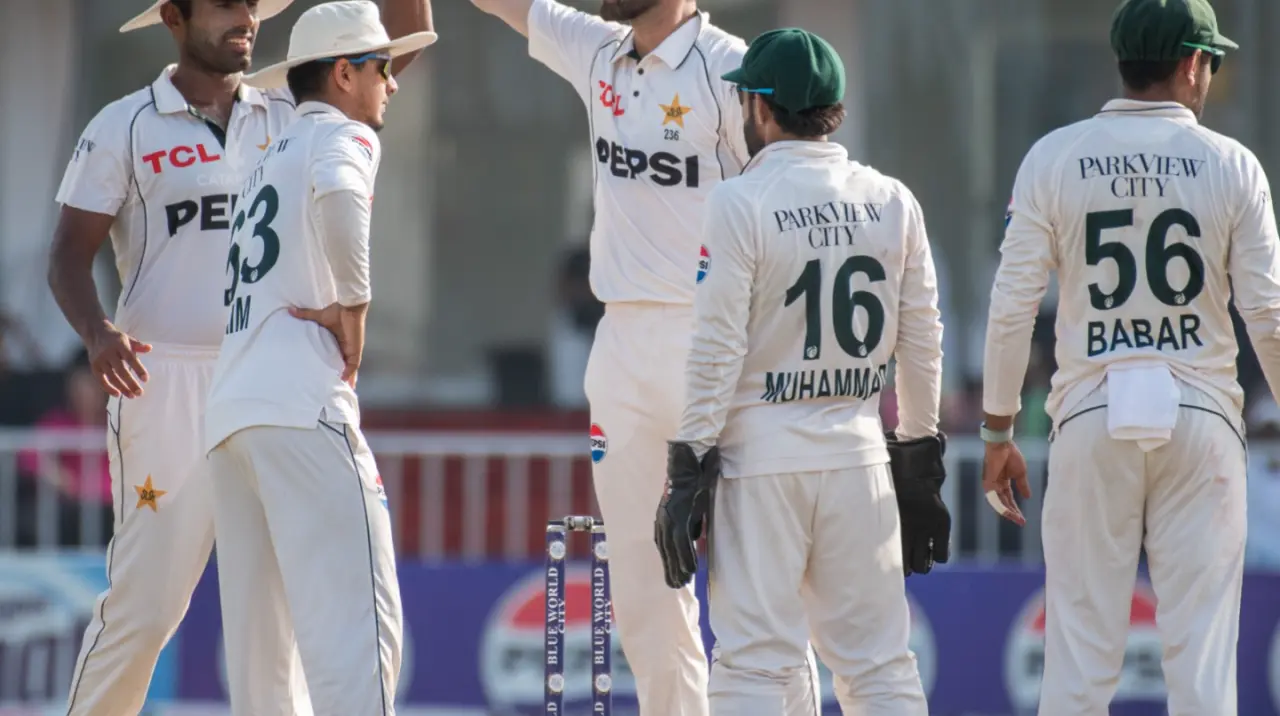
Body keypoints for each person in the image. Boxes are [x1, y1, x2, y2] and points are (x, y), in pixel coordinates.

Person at [45, 0, 433, 712]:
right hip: (163, 381)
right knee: (148, 608)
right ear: (173, 16)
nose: (245, 18)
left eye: (253, 5)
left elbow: (380, 62)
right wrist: (99, 333)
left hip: (256, 369)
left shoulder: (290, 110)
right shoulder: (124, 124)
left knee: (274, 618)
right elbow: (68, 256)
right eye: (225, 5)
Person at [464, 0, 820, 711]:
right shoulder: (597, 48)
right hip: (622, 342)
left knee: (755, 586)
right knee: (642, 591)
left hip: (719, 340)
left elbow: (793, 203)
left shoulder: (735, 67)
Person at [978, 0, 1276, 712]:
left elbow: (1012, 305)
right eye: (1211, 59)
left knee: (1078, 663)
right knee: (1202, 666)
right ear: (1190, 62)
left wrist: (996, 431)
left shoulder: (1054, 155)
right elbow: (1267, 313)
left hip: (1091, 411)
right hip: (1202, 415)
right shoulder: (1232, 163)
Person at [654, 28, 946, 715]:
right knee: (879, 668)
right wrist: (921, 453)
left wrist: (688, 459)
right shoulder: (892, 199)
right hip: (858, 453)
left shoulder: (738, 203)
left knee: (755, 666)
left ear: (761, 107)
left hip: (761, 460)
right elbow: (923, 338)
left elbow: (717, 345)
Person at [203, 3, 436, 713]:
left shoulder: (263, 153)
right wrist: (355, 306)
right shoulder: (343, 133)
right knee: (358, 640)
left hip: (232, 415)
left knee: (263, 670)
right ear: (344, 74)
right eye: (382, 68)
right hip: (302, 406)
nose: (393, 84)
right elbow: (339, 194)